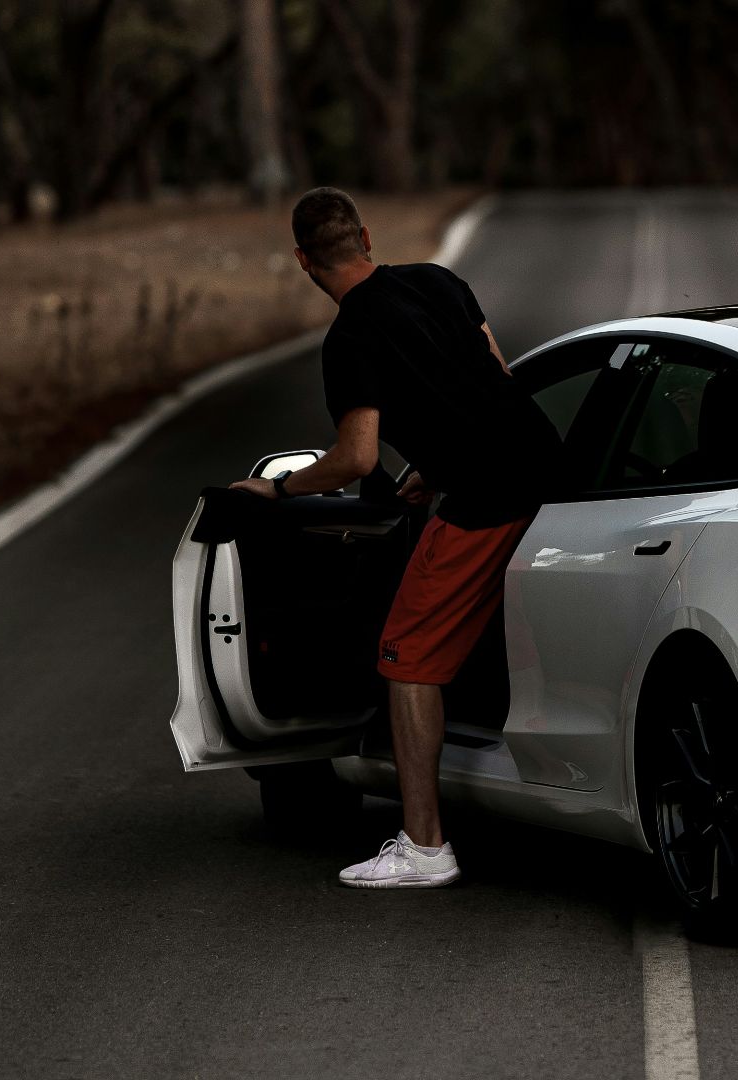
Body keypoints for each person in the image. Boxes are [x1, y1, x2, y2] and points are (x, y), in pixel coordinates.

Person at [230, 187, 561, 888]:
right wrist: (432, 471)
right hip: (549, 473)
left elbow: (354, 458)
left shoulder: (349, 336)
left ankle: (424, 846)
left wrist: (279, 488)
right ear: (367, 237)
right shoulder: (438, 281)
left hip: (487, 501)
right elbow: (493, 379)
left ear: (302, 260)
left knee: (407, 662)